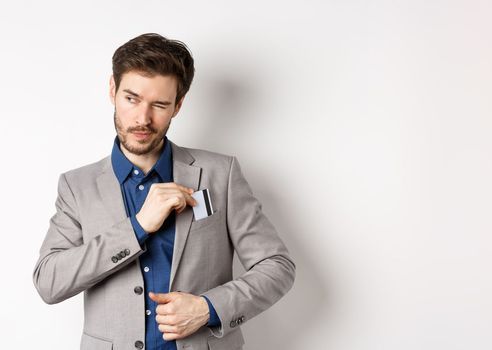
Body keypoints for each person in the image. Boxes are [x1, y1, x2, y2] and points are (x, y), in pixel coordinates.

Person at [32, 33, 295, 350]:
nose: (143, 118)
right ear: (113, 90)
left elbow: (277, 266)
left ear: (178, 105)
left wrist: (208, 308)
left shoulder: (219, 174)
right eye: (132, 99)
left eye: (159, 104)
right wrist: (137, 227)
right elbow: (49, 282)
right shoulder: (77, 186)